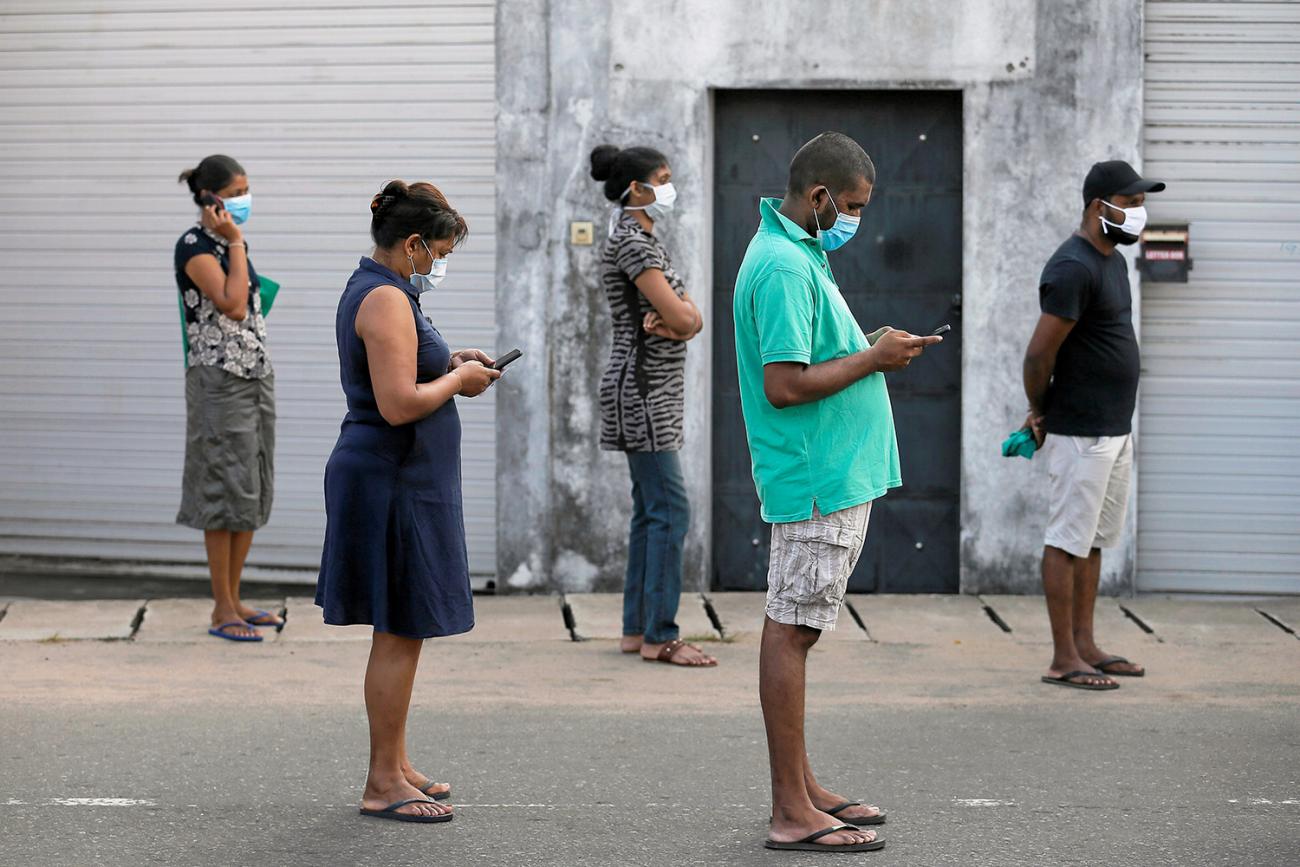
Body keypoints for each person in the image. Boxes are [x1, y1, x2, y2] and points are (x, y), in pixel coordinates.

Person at [732, 132, 942, 853]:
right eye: (850, 206)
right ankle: (791, 809)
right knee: (792, 630)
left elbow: (818, 355)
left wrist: (873, 345)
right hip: (818, 478)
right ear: (819, 197)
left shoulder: (800, 253)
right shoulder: (786, 265)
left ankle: (805, 785)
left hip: (832, 474)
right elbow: (784, 385)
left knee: (799, 625)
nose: (856, 219)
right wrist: (874, 358)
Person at [315, 180, 500, 823]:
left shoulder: (387, 291)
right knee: (399, 627)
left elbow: (404, 371)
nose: (441, 264)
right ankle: (381, 782)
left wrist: (452, 359)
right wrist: (459, 381)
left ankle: (395, 762)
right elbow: (397, 404)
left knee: (407, 626)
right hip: (390, 480)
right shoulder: (386, 299)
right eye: (440, 251)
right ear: (413, 244)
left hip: (403, 478)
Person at [1023, 160, 1164, 691]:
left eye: (1137, 203)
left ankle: (1086, 644)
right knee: (1066, 541)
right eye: (1128, 203)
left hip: (1114, 428)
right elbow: (1038, 356)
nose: (1137, 213)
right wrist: (1041, 411)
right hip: (1080, 430)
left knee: (1095, 540)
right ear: (1096, 207)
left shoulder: (1112, 262)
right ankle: (1063, 658)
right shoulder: (1072, 267)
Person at [588, 144, 714, 668]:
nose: (669, 186)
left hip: (646, 387)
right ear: (636, 190)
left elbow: (688, 318)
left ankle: (637, 630)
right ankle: (660, 635)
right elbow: (683, 321)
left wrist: (686, 316)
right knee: (670, 509)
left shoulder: (638, 241)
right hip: (642, 390)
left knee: (651, 510)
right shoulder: (634, 245)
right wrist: (684, 316)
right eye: (661, 178)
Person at [174, 154, 280, 642]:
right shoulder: (195, 246)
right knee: (222, 488)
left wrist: (236, 244)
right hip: (218, 381)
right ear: (210, 198)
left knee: (250, 486)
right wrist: (236, 242)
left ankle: (236, 600)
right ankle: (221, 608)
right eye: (235, 192)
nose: (244, 199)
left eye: (246, 190)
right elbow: (233, 305)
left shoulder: (229, 244)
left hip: (254, 378)